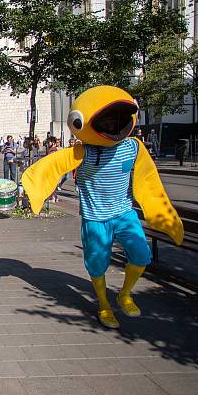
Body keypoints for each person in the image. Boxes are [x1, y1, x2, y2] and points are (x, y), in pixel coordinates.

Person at [21, 85, 182, 330]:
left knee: (141, 255)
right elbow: (47, 169)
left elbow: (149, 181)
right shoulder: (81, 151)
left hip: (125, 213)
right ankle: (104, 304)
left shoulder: (134, 147)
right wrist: (35, 193)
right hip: (95, 218)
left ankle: (124, 294)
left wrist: (164, 216)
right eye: (106, 120)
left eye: (117, 118)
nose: (112, 124)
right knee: (97, 262)